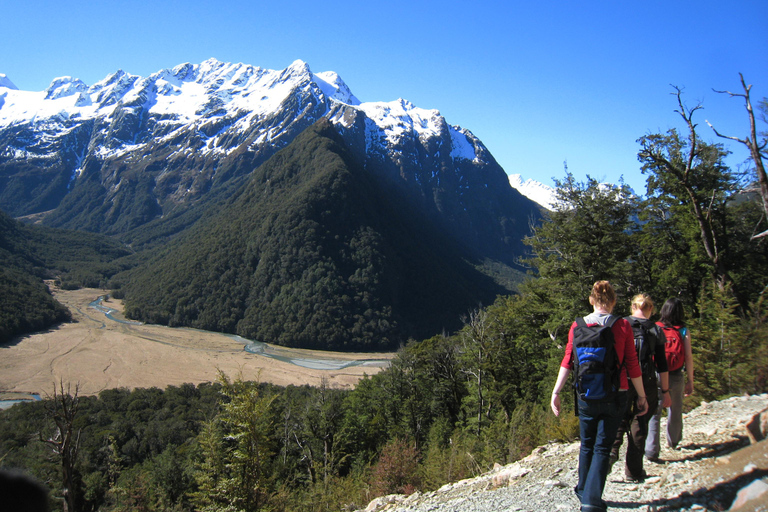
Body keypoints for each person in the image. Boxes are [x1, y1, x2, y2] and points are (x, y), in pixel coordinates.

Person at [551, 281, 648, 512]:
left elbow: (568, 360)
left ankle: (584, 491)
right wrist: (642, 396)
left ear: (591, 300)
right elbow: (633, 365)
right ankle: (591, 502)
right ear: (613, 302)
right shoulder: (623, 326)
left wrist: (556, 392)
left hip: (585, 394)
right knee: (602, 447)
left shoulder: (577, 326)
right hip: (616, 394)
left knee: (587, 445)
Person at [610, 294, 672, 482]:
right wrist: (666, 392)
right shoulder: (655, 330)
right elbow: (662, 364)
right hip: (646, 381)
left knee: (618, 418)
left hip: (622, 379)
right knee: (640, 421)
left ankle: (610, 455)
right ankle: (633, 471)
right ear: (650, 309)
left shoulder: (620, 324)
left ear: (633, 307)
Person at [645, 297, 694, 461]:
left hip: (657, 374)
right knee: (675, 409)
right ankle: (673, 441)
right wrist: (690, 380)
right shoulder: (683, 330)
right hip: (676, 374)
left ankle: (651, 449)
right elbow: (688, 356)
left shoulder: (655, 328)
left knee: (655, 412)